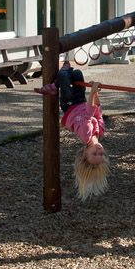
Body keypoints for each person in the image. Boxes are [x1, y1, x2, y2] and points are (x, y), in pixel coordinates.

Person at [36, 62, 108, 201]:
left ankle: (54, 87)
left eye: (94, 153)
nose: (99, 149)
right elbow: (98, 111)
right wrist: (96, 93)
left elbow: (89, 114)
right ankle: (54, 86)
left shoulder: (86, 135)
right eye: (101, 153)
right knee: (77, 75)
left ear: (85, 152)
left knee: (63, 75)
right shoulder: (100, 132)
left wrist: (92, 91)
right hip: (80, 101)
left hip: (69, 105)